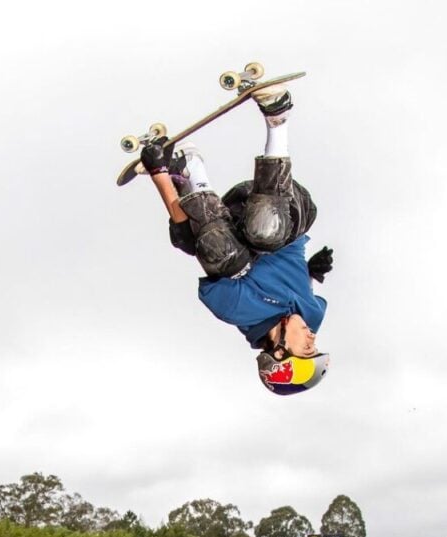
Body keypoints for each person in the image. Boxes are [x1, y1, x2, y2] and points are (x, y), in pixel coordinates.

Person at [140, 83, 332, 396]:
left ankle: (189, 170)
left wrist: (158, 172)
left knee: (215, 254)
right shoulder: (313, 315)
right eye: (315, 345)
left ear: (279, 352)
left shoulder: (234, 308)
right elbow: (299, 294)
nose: (313, 338)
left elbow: (203, 246)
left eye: (307, 349)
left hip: (232, 214)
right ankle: (278, 116)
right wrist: (311, 273)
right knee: (265, 234)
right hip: (288, 208)